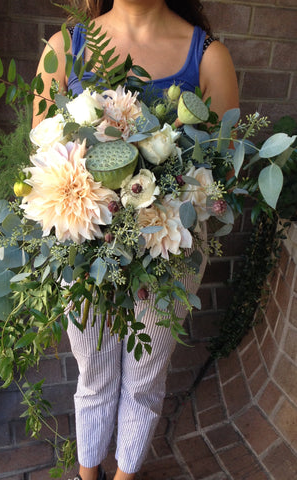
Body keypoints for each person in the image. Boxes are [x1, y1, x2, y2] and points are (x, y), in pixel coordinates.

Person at [33, 1, 239, 479]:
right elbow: (43, 155)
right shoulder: (65, 49)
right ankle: (88, 474)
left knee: (146, 377)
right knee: (94, 372)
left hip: (171, 251)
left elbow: (220, 173)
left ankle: (126, 474)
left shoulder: (208, 58)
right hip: (87, 247)